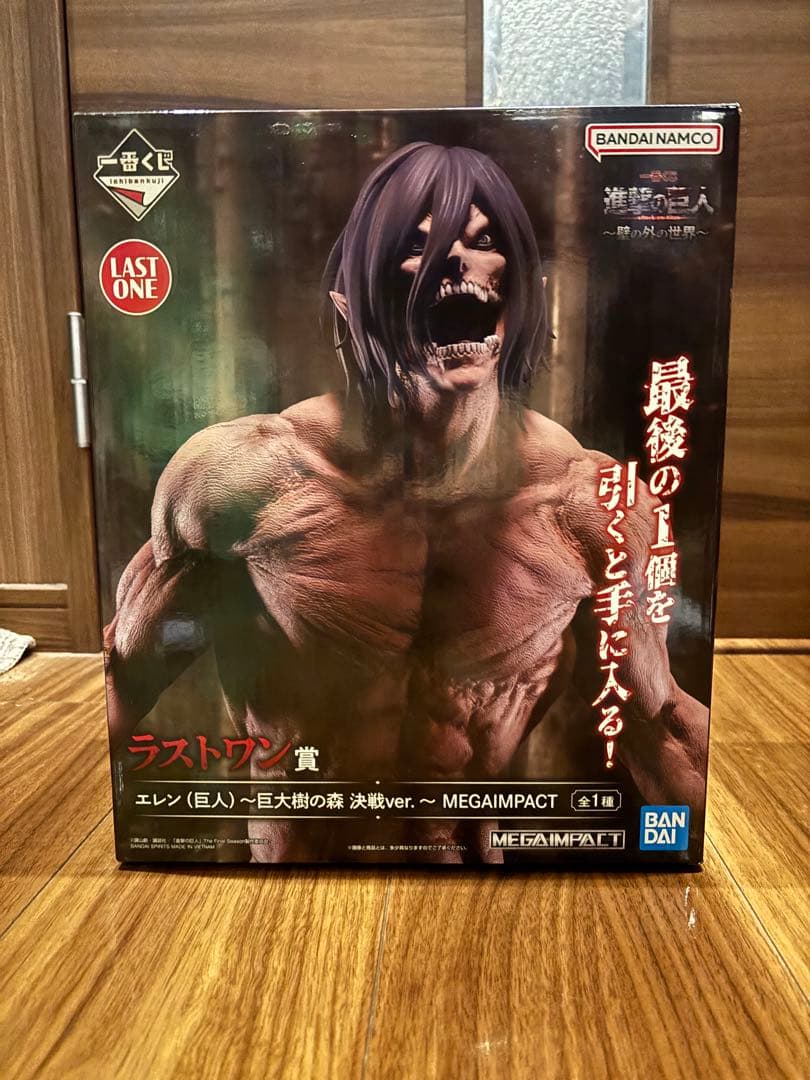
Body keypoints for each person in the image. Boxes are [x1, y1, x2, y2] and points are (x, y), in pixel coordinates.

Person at [106, 143, 708, 862]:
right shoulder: (242, 478)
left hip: (470, 881)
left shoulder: (588, 507)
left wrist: (723, 868)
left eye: (484, 241)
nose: (457, 260)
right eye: (418, 248)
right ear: (350, 301)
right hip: (300, 883)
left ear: (523, 294)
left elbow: (659, 726)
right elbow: (122, 678)